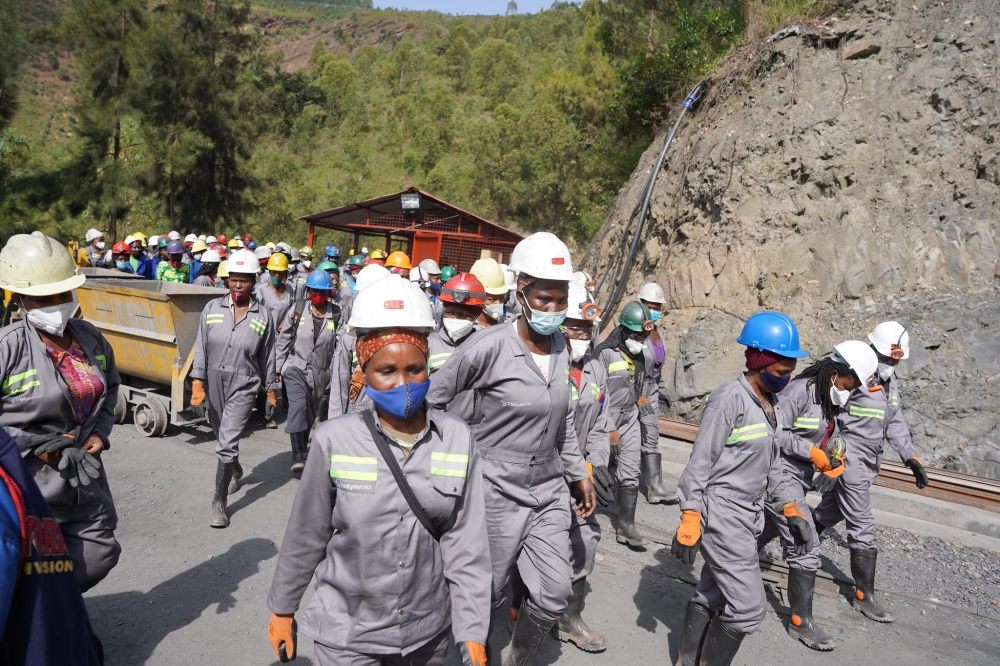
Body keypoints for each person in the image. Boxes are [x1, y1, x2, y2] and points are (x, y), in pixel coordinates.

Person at [266, 273, 490, 666]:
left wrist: (471, 629)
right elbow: (307, 532)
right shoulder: (334, 440)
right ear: (364, 372)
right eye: (387, 371)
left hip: (428, 636)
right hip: (347, 633)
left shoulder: (458, 439)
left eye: (415, 369)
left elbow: (466, 543)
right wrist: (283, 609)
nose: (403, 383)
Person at [428, 232, 597, 666]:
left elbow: (562, 424)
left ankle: (518, 659)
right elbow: (434, 399)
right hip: (494, 486)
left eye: (560, 301)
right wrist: (442, 462)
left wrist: (579, 471)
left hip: (548, 487)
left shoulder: (561, 346)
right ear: (520, 289)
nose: (553, 310)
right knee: (486, 587)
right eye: (544, 299)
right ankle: (465, 654)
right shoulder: (487, 347)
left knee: (555, 590)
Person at [671, 311, 811, 666]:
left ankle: (688, 661)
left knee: (713, 591)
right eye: (782, 372)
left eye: (790, 371)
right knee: (748, 607)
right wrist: (690, 514)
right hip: (722, 511)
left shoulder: (772, 406)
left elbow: (774, 464)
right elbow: (699, 463)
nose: (787, 379)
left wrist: (790, 508)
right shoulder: (728, 400)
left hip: (750, 512)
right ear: (760, 362)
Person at [0, 232, 122, 592]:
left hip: (84, 476)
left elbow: (110, 387)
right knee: (32, 565)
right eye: (43, 298)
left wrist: (100, 432)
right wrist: (38, 446)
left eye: (63, 294)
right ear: (20, 298)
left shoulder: (90, 338)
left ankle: (52, 609)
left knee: (99, 553)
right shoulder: (7, 350)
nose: (57, 304)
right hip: (30, 483)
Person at [757, 340, 877, 651]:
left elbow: (832, 433)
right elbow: (774, 431)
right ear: (836, 373)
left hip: (800, 478)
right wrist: (810, 452)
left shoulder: (831, 395)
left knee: (766, 528)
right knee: (805, 542)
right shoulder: (798, 392)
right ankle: (801, 622)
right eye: (851, 384)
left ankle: (735, 565)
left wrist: (837, 452)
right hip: (778, 475)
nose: (853, 391)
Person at [812, 321, 927, 624]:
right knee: (861, 522)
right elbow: (830, 411)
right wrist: (832, 452)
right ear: (873, 350)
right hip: (849, 459)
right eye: (887, 358)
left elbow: (895, 421)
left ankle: (796, 542)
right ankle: (865, 595)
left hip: (869, 460)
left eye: (895, 361)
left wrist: (910, 456)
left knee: (828, 513)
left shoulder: (890, 384)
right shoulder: (856, 376)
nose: (890, 365)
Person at [0, 426, 105, 665]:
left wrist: (99, 431)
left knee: (100, 554)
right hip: (31, 468)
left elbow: (107, 398)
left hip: (79, 465)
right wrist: (31, 443)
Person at [189, 248, 276, 528]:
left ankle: (218, 501)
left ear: (254, 281)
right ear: (226, 280)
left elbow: (268, 356)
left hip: (245, 381)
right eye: (233, 279)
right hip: (213, 378)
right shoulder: (211, 309)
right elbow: (200, 347)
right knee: (220, 432)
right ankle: (234, 467)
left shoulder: (263, 317)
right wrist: (197, 381)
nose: (238, 284)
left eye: (245, 279)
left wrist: (271, 388)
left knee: (227, 440)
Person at [551, 278, 615, 652]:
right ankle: (522, 607)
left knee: (586, 539)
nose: (581, 335)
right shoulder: (543, 363)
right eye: (575, 327)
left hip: (580, 479)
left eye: (587, 329)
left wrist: (595, 466)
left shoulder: (595, 366)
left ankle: (569, 617)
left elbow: (600, 425)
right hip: (543, 472)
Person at [589, 301, 653, 546]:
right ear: (625, 331)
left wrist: (642, 397)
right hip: (605, 417)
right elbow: (597, 393)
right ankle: (582, 517)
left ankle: (626, 527)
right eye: (637, 335)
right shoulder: (605, 354)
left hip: (630, 418)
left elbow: (642, 381)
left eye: (644, 336)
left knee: (629, 470)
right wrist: (609, 427)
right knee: (598, 466)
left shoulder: (644, 355)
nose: (641, 340)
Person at [275, 270, 341, 474]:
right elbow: (284, 339)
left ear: (329, 292)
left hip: (321, 373)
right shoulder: (298, 308)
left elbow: (340, 347)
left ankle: (302, 447)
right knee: (298, 405)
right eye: (314, 291)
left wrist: (339, 374)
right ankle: (296, 455)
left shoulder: (338, 314)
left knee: (310, 413)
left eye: (322, 292)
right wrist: (278, 367)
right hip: (295, 366)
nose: (317, 295)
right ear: (308, 290)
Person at [326, 264, 390, 417]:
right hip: (357, 417)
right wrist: (336, 425)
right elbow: (339, 389)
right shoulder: (350, 339)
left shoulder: (400, 337)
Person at [636, 282, 675, 504]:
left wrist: (661, 389)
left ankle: (654, 488)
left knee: (651, 436)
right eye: (650, 306)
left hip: (650, 389)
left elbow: (657, 367)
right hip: (632, 392)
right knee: (623, 437)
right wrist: (636, 395)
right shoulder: (631, 331)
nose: (654, 310)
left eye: (657, 306)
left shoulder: (658, 332)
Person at [469, 258, 510, 328]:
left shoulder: (507, 325)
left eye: (502, 298)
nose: (499, 303)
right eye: (492, 299)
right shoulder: (466, 327)